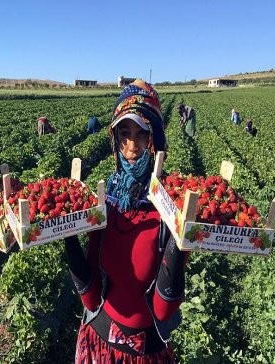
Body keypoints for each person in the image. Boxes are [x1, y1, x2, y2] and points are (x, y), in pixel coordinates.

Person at [64, 79, 188, 363]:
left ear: (155, 139)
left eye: (141, 134)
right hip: (97, 344)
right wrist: (67, 236)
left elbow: (163, 311)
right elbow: (92, 296)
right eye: (124, 133)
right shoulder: (107, 200)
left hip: (144, 354)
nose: (131, 146)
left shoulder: (170, 209)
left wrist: (180, 244)